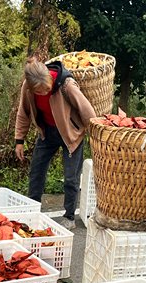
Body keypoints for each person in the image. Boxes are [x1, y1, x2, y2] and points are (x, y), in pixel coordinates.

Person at [14, 57, 96, 230]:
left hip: (70, 134)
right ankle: (33, 209)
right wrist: (19, 140)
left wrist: (97, 137)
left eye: (47, 88)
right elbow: (24, 112)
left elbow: (88, 112)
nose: (45, 92)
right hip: (47, 133)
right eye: (41, 91)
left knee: (70, 178)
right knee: (36, 172)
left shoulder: (66, 85)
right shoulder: (28, 88)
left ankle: (69, 216)